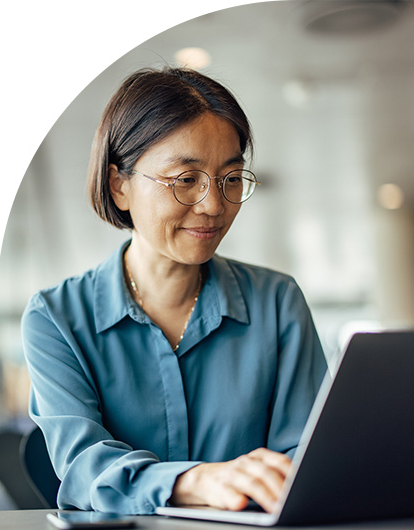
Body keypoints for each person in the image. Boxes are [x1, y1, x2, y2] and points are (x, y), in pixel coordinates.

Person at [21, 67, 328, 515]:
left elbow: (306, 458)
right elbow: (84, 468)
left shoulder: (277, 302)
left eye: (230, 178)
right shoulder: (56, 317)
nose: (214, 206)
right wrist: (196, 480)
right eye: (186, 179)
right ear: (119, 185)